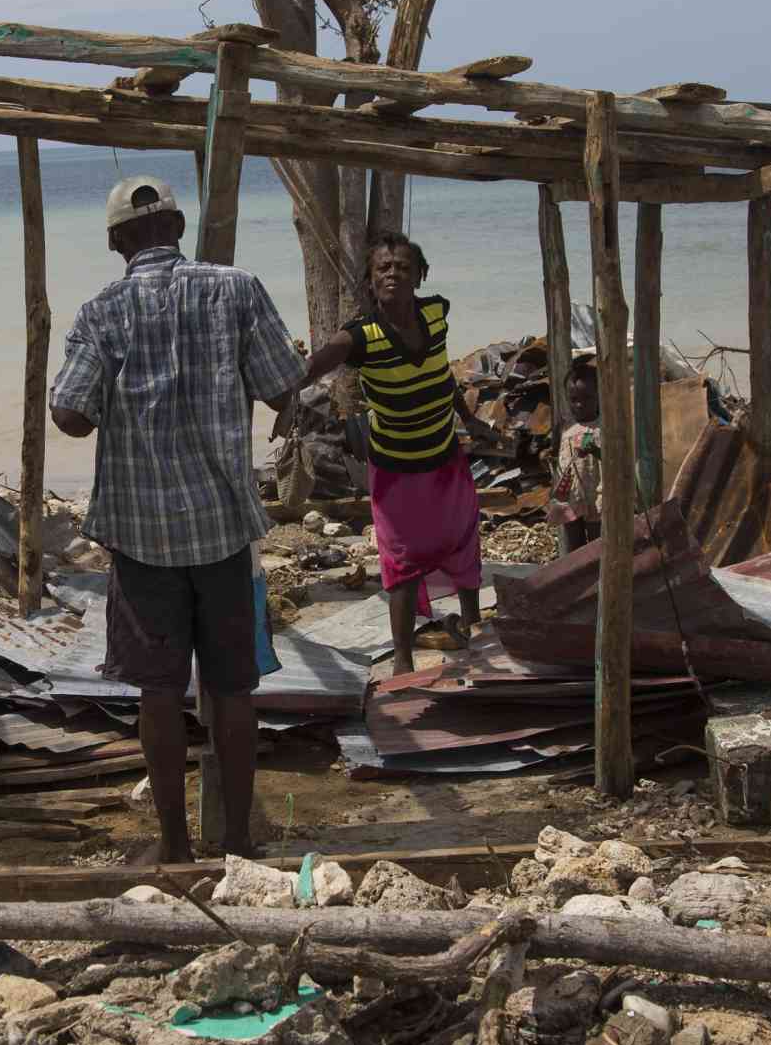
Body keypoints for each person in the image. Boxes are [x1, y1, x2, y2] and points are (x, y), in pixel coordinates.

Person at [50, 174, 303, 864]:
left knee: (158, 691)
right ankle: (240, 841)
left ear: (115, 242)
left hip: (142, 536)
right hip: (223, 528)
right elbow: (284, 384)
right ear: (179, 225)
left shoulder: (101, 311)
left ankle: (173, 847)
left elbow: (70, 416)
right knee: (233, 687)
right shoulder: (238, 289)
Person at [288, 232, 493, 674]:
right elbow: (314, 367)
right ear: (370, 281)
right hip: (396, 467)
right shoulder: (360, 337)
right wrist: (277, 388)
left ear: (419, 275)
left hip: (444, 456)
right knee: (401, 560)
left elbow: (441, 376)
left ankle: (475, 627)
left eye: (403, 266)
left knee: (463, 542)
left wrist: (469, 420)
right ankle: (403, 662)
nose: (393, 273)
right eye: (383, 267)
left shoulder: (437, 313)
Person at [550, 357, 604, 554]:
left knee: (597, 546)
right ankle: (577, 582)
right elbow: (559, 457)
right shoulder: (566, 427)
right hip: (572, 496)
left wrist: (595, 451)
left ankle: (598, 583)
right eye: (574, 400)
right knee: (574, 548)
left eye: (586, 398)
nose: (579, 405)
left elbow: (614, 460)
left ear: (599, 396)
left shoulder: (603, 428)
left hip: (597, 498)